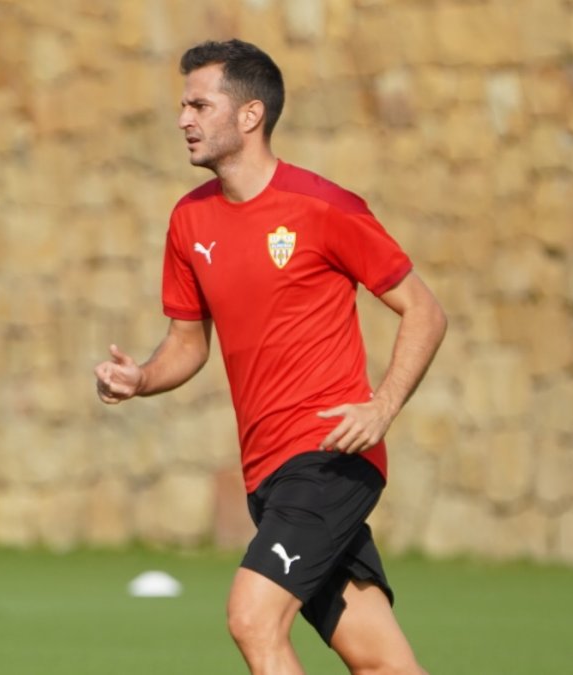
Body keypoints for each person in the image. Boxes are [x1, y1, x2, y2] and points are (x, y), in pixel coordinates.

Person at [94, 39, 447, 675]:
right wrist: (140, 378)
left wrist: (382, 407)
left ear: (250, 115)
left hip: (329, 460)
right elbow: (186, 343)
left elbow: (425, 310)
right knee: (381, 662)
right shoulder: (189, 221)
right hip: (269, 476)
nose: (183, 119)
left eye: (200, 104)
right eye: (182, 105)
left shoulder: (323, 207)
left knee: (252, 618)